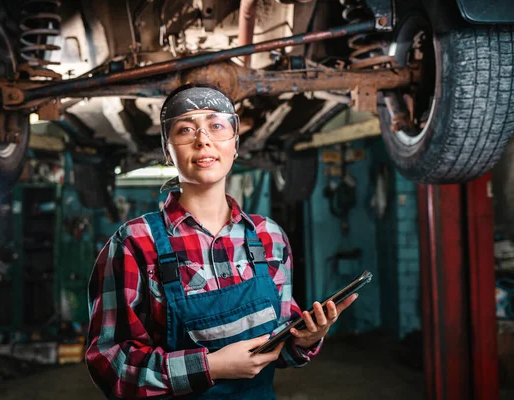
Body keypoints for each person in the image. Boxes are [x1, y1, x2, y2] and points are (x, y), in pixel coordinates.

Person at [85, 83, 358, 399]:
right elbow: (110, 367)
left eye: (216, 126)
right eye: (186, 129)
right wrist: (210, 366)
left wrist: (307, 338)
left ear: (235, 143)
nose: (203, 140)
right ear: (167, 148)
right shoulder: (133, 243)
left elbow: (279, 349)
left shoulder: (270, 237)